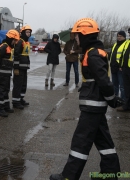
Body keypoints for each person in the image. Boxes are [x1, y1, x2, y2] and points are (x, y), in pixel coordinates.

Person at [50, 18, 124, 180]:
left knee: (80, 141)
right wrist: (111, 99)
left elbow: (103, 80)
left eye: (77, 35)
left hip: (92, 107)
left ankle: (69, 176)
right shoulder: (94, 52)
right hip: (95, 106)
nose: (75, 38)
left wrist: (112, 99)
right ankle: (110, 174)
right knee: (104, 142)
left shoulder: (92, 54)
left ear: (84, 34)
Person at [0, 29, 20, 117]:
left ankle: (5, 106)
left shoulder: (9, 47)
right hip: (2, 73)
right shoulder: (4, 47)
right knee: (1, 91)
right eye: (14, 40)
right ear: (10, 39)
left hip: (7, 73)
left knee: (6, 90)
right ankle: (0, 108)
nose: (15, 42)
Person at [12, 25, 32, 109]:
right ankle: (15, 101)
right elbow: (16, 55)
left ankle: (20, 99)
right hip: (19, 68)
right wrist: (16, 68)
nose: (28, 33)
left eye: (29, 32)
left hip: (24, 67)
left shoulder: (27, 42)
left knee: (23, 84)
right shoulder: (20, 42)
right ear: (23, 32)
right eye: (27, 32)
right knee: (18, 85)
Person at [108, 31, 127, 101]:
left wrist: (122, 66)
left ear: (124, 37)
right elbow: (111, 54)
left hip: (120, 68)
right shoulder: (115, 44)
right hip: (113, 67)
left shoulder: (126, 44)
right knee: (114, 85)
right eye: (118, 36)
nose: (119, 37)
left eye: (120, 36)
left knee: (122, 86)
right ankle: (115, 98)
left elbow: (126, 57)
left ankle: (123, 100)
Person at [117, 32, 130, 112]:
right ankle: (127, 105)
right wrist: (121, 65)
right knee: (127, 88)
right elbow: (122, 54)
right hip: (126, 69)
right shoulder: (127, 42)